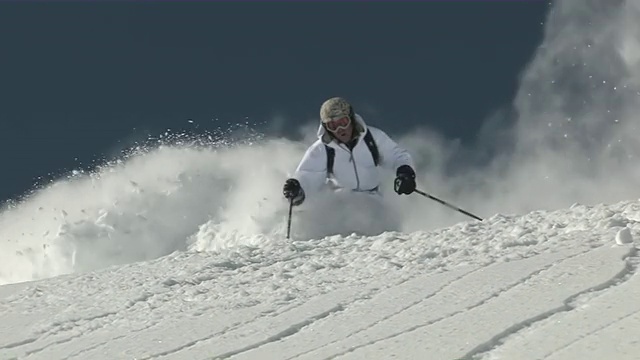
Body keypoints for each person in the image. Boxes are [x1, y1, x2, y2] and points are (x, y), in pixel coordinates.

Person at [282, 97, 417, 207]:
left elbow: (396, 155)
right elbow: (308, 175)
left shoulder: (373, 138)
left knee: (380, 235)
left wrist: (405, 173)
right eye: (332, 126)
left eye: (343, 122)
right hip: (340, 204)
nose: (340, 129)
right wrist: (298, 189)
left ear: (351, 119)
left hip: (374, 202)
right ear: (326, 128)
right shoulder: (323, 148)